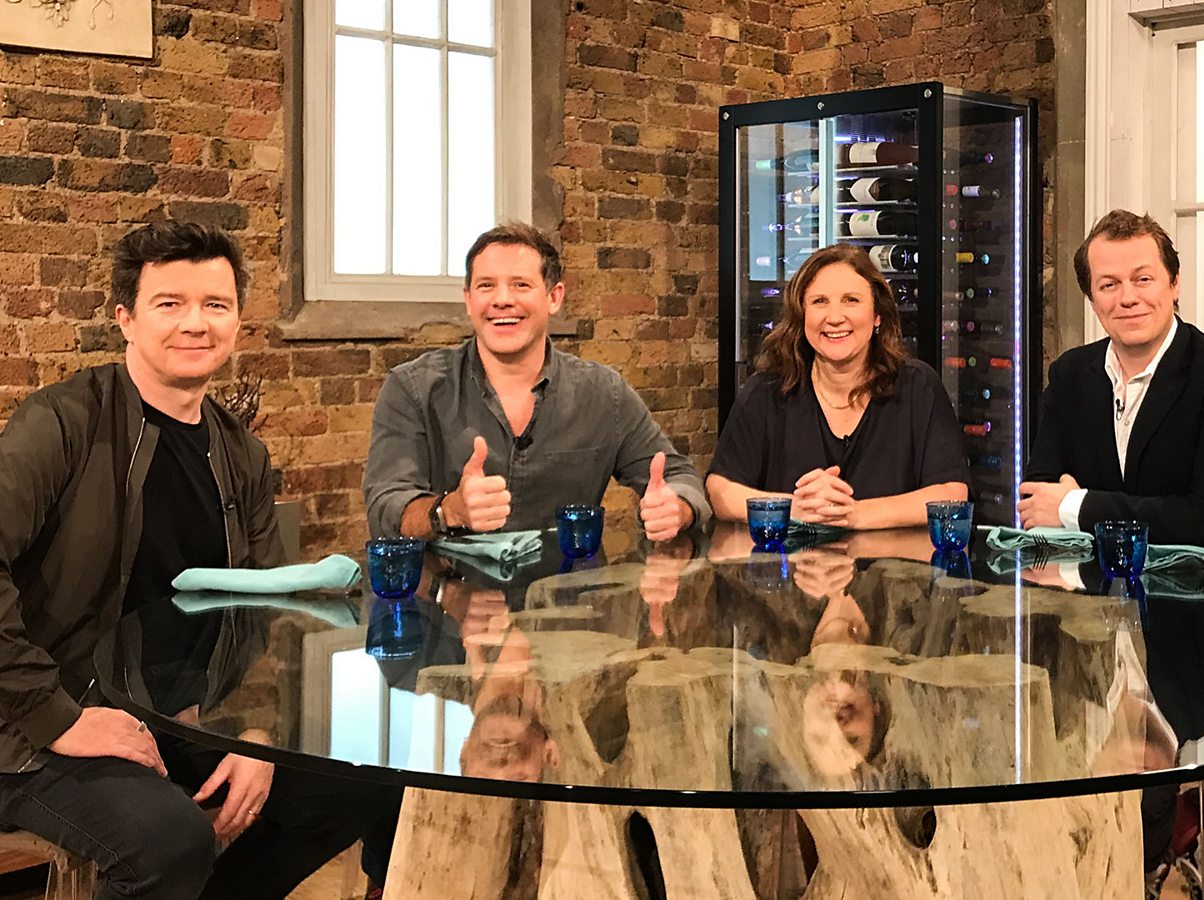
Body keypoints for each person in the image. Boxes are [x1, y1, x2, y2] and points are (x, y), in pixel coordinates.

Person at [0, 222, 384, 899]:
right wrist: (60, 717)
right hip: (29, 723)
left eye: (215, 304)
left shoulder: (240, 455)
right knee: (169, 841)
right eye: (169, 303)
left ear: (237, 319)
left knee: (353, 785)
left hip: (163, 716)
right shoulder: (61, 423)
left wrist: (259, 733)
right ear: (126, 318)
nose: (195, 324)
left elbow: (266, 610)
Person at [364, 222, 709, 542]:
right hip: (447, 599)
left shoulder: (604, 394)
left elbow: (682, 478)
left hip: (568, 600)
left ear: (554, 297)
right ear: (468, 299)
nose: (502, 300)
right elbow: (387, 508)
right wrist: (448, 511)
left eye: (520, 285)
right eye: (486, 286)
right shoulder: (412, 389)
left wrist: (677, 508)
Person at [1018, 209, 1204, 549]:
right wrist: (1160, 513)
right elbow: (1037, 503)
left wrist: (1075, 505)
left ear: (1174, 283)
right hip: (1084, 595)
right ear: (1093, 300)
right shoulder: (1069, 375)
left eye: (1143, 279)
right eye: (1109, 285)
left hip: (1192, 596)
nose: (1127, 298)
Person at [707, 243, 969, 528]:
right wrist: (793, 509)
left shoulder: (918, 387)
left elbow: (952, 493)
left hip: (898, 571)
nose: (834, 317)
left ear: (877, 315)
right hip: (789, 570)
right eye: (820, 301)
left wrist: (850, 513)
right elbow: (720, 490)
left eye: (851, 300)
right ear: (802, 314)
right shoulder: (767, 391)